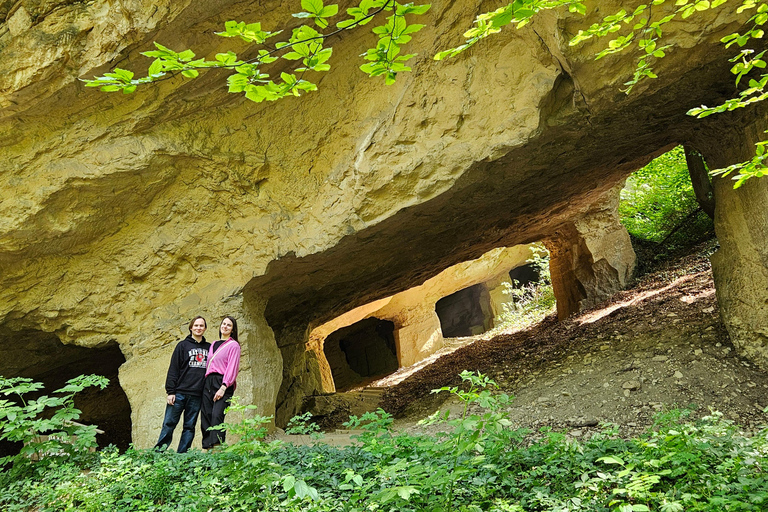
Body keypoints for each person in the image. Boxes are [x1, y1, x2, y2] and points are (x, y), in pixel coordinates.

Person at [154, 316, 210, 453]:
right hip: (179, 393)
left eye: (201, 326)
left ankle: (182, 455)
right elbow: (174, 369)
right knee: (169, 424)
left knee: (189, 426)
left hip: (197, 395)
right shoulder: (182, 346)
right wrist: (171, 392)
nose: (198, 328)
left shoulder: (209, 348)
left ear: (205, 328)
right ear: (191, 328)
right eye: (196, 325)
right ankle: (158, 453)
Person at [200, 316, 241, 449]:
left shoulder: (234, 345)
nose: (225, 326)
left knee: (217, 415)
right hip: (209, 381)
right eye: (223, 324)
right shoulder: (213, 344)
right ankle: (208, 449)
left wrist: (223, 387)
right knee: (206, 415)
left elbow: (232, 367)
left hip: (223, 382)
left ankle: (217, 448)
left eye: (229, 325)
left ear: (233, 329)